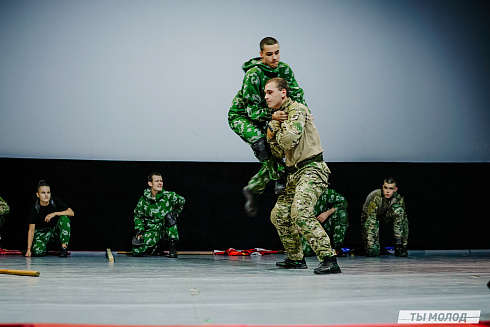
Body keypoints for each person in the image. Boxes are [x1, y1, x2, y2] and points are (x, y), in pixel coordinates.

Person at [266, 77, 341, 274]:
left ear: (283, 93)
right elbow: (278, 153)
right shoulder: (279, 115)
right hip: (294, 173)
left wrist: (274, 130)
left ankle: (329, 258)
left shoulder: (297, 110)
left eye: (270, 92)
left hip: (312, 169)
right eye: (265, 93)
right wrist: (272, 130)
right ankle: (296, 258)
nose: (266, 97)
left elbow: (289, 141)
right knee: (279, 214)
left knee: (300, 212)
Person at [228, 37, 307, 217]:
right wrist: (272, 116)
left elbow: (297, 94)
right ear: (261, 54)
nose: (274, 58)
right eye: (269, 54)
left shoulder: (284, 69)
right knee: (261, 144)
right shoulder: (253, 75)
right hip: (242, 116)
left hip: (270, 115)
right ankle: (278, 177)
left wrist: (304, 114)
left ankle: (254, 188)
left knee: (278, 150)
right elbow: (251, 110)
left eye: (277, 53)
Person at [131, 172, 185, 258]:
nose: (160, 183)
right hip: (152, 229)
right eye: (157, 181)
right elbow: (138, 216)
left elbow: (182, 201)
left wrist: (175, 214)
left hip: (165, 228)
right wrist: (139, 229)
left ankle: (172, 248)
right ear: (150, 183)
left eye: (161, 181)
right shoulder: (143, 200)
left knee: (169, 217)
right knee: (137, 251)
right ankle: (157, 247)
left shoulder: (169, 196)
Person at [361, 177, 409, 257]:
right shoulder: (376, 197)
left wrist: (403, 245)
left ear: (395, 189)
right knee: (372, 252)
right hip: (369, 218)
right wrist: (370, 242)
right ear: (382, 187)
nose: (387, 191)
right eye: (385, 188)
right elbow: (370, 222)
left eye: (391, 188)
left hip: (385, 216)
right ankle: (370, 247)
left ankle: (398, 245)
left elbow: (404, 220)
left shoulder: (398, 198)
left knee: (399, 211)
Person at [26, 180, 74, 257]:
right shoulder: (34, 208)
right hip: (42, 233)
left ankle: (63, 248)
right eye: (43, 193)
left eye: (48, 193)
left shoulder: (55, 201)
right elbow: (31, 230)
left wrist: (54, 214)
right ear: (37, 195)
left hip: (54, 232)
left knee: (64, 218)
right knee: (37, 252)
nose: (46, 195)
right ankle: (43, 247)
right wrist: (28, 249)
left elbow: (71, 213)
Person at [301, 188, 349, 257]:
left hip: (322, 224)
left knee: (341, 214)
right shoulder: (299, 194)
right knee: (306, 252)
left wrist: (327, 213)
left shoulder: (325, 192)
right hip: (306, 227)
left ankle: (337, 247)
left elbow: (343, 202)